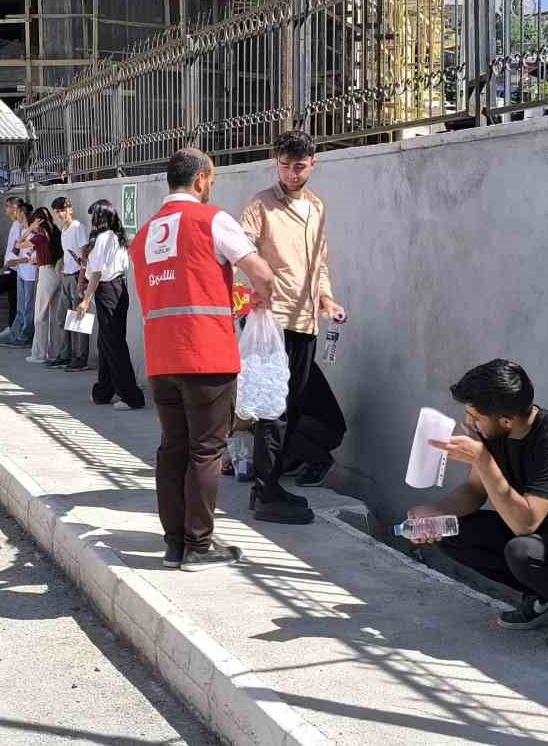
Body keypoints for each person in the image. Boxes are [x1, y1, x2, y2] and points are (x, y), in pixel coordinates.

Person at [407, 360, 548, 658]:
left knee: (522, 551)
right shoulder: (494, 435)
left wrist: (483, 460)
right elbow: (474, 491)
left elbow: (526, 523)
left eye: (475, 417)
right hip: (540, 544)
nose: (469, 424)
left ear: (506, 420)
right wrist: (435, 512)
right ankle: (542, 594)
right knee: (449, 529)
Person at [132, 147, 277, 571]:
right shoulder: (211, 220)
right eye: (211, 180)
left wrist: (237, 298)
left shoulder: (145, 234)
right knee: (206, 450)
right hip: (206, 356)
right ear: (200, 180)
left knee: (172, 448)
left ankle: (174, 544)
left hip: (161, 357)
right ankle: (199, 544)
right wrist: (265, 298)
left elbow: (178, 289)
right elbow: (262, 273)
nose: (211, 186)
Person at [237, 130, 346, 525]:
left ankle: (271, 481)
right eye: (284, 166)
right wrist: (255, 286)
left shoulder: (316, 207)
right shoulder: (260, 205)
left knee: (293, 407)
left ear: (313, 163)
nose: (290, 174)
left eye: (299, 167)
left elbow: (319, 264)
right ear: (276, 163)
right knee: (273, 408)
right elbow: (240, 249)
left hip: (306, 322)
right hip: (271, 321)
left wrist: (327, 300)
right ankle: (265, 493)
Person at [76, 202, 144, 409]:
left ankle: (131, 396)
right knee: (105, 343)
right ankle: (104, 391)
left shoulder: (105, 238)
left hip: (108, 290)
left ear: (100, 218)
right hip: (115, 289)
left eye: (93, 216)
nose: (91, 221)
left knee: (114, 344)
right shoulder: (116, 236)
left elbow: (97, 273)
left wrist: (85, 300)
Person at [48, 197, 93, 371]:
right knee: (62, 319)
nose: (60, 214)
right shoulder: (64, 230)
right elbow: (69, 253)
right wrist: (61, 261)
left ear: (70, 209)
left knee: (79, 320)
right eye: (57, 211)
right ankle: (65, 355)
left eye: (63, 210)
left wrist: (81, 281)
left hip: (76, 277)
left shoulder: (78, 228)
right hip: (66, 277)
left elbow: (84, 256)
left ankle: (80, 358)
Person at [27, 206, 67, 365]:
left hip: (46, 273)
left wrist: (29, 229)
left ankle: (39, 353)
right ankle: (54, 352)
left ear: (37, 221)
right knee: (54, 315)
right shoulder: (56, 231)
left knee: (40, 315)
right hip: (58, 273)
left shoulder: (40, 235)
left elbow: (19, 245)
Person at [2, 198, 39, 348]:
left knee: (28, 308)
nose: (15, 215)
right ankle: (16, 335)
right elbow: (16, 247)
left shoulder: (34, 233)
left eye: (18, 213)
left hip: (30, 275)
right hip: (22, 274)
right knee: (20, 308)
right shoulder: (24, 231)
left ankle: (25, 337)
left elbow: (31, 257)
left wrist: (15, 261)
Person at [0, 197, 25, 341]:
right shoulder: (14, 224)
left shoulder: (20, 226)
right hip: (10, 266)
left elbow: (17, 249)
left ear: (15, 208)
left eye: (8, 206)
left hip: (15, 268)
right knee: (12, 300)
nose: (6, 209)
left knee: (1, 290)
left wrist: (8, 264)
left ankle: (15, 330)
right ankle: (11, 327)